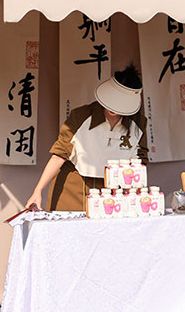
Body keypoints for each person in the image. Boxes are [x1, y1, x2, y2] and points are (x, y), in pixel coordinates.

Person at [27, 64, 148, 211]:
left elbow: (140, 161)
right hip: (74, 187)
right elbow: (59, 155)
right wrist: (38, 190)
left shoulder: (138, 124)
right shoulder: (81, 116)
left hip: (114, 192)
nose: (112, 107)